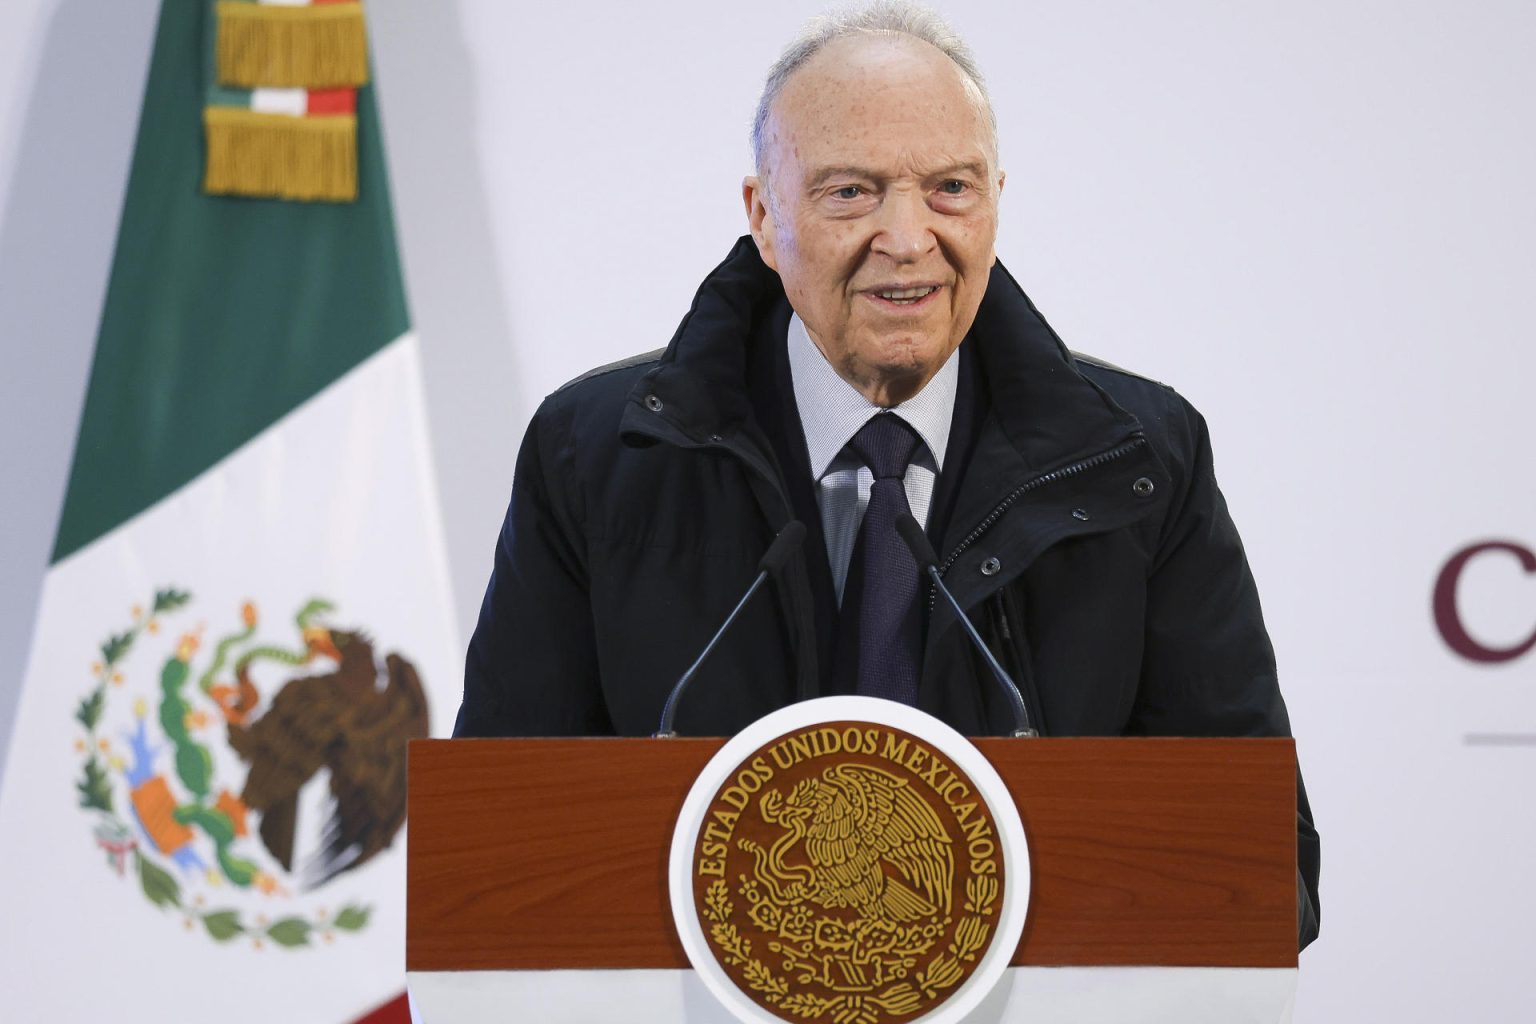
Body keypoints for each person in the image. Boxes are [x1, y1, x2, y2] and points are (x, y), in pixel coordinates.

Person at [453, 0, 1319, 948]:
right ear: (764, 217)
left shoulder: (1142, 462)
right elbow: (496, 857)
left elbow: (1264, 866)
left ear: (997, 198)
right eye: (850, 193)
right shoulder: (599, 455)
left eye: (950, 188)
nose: (908, 239)